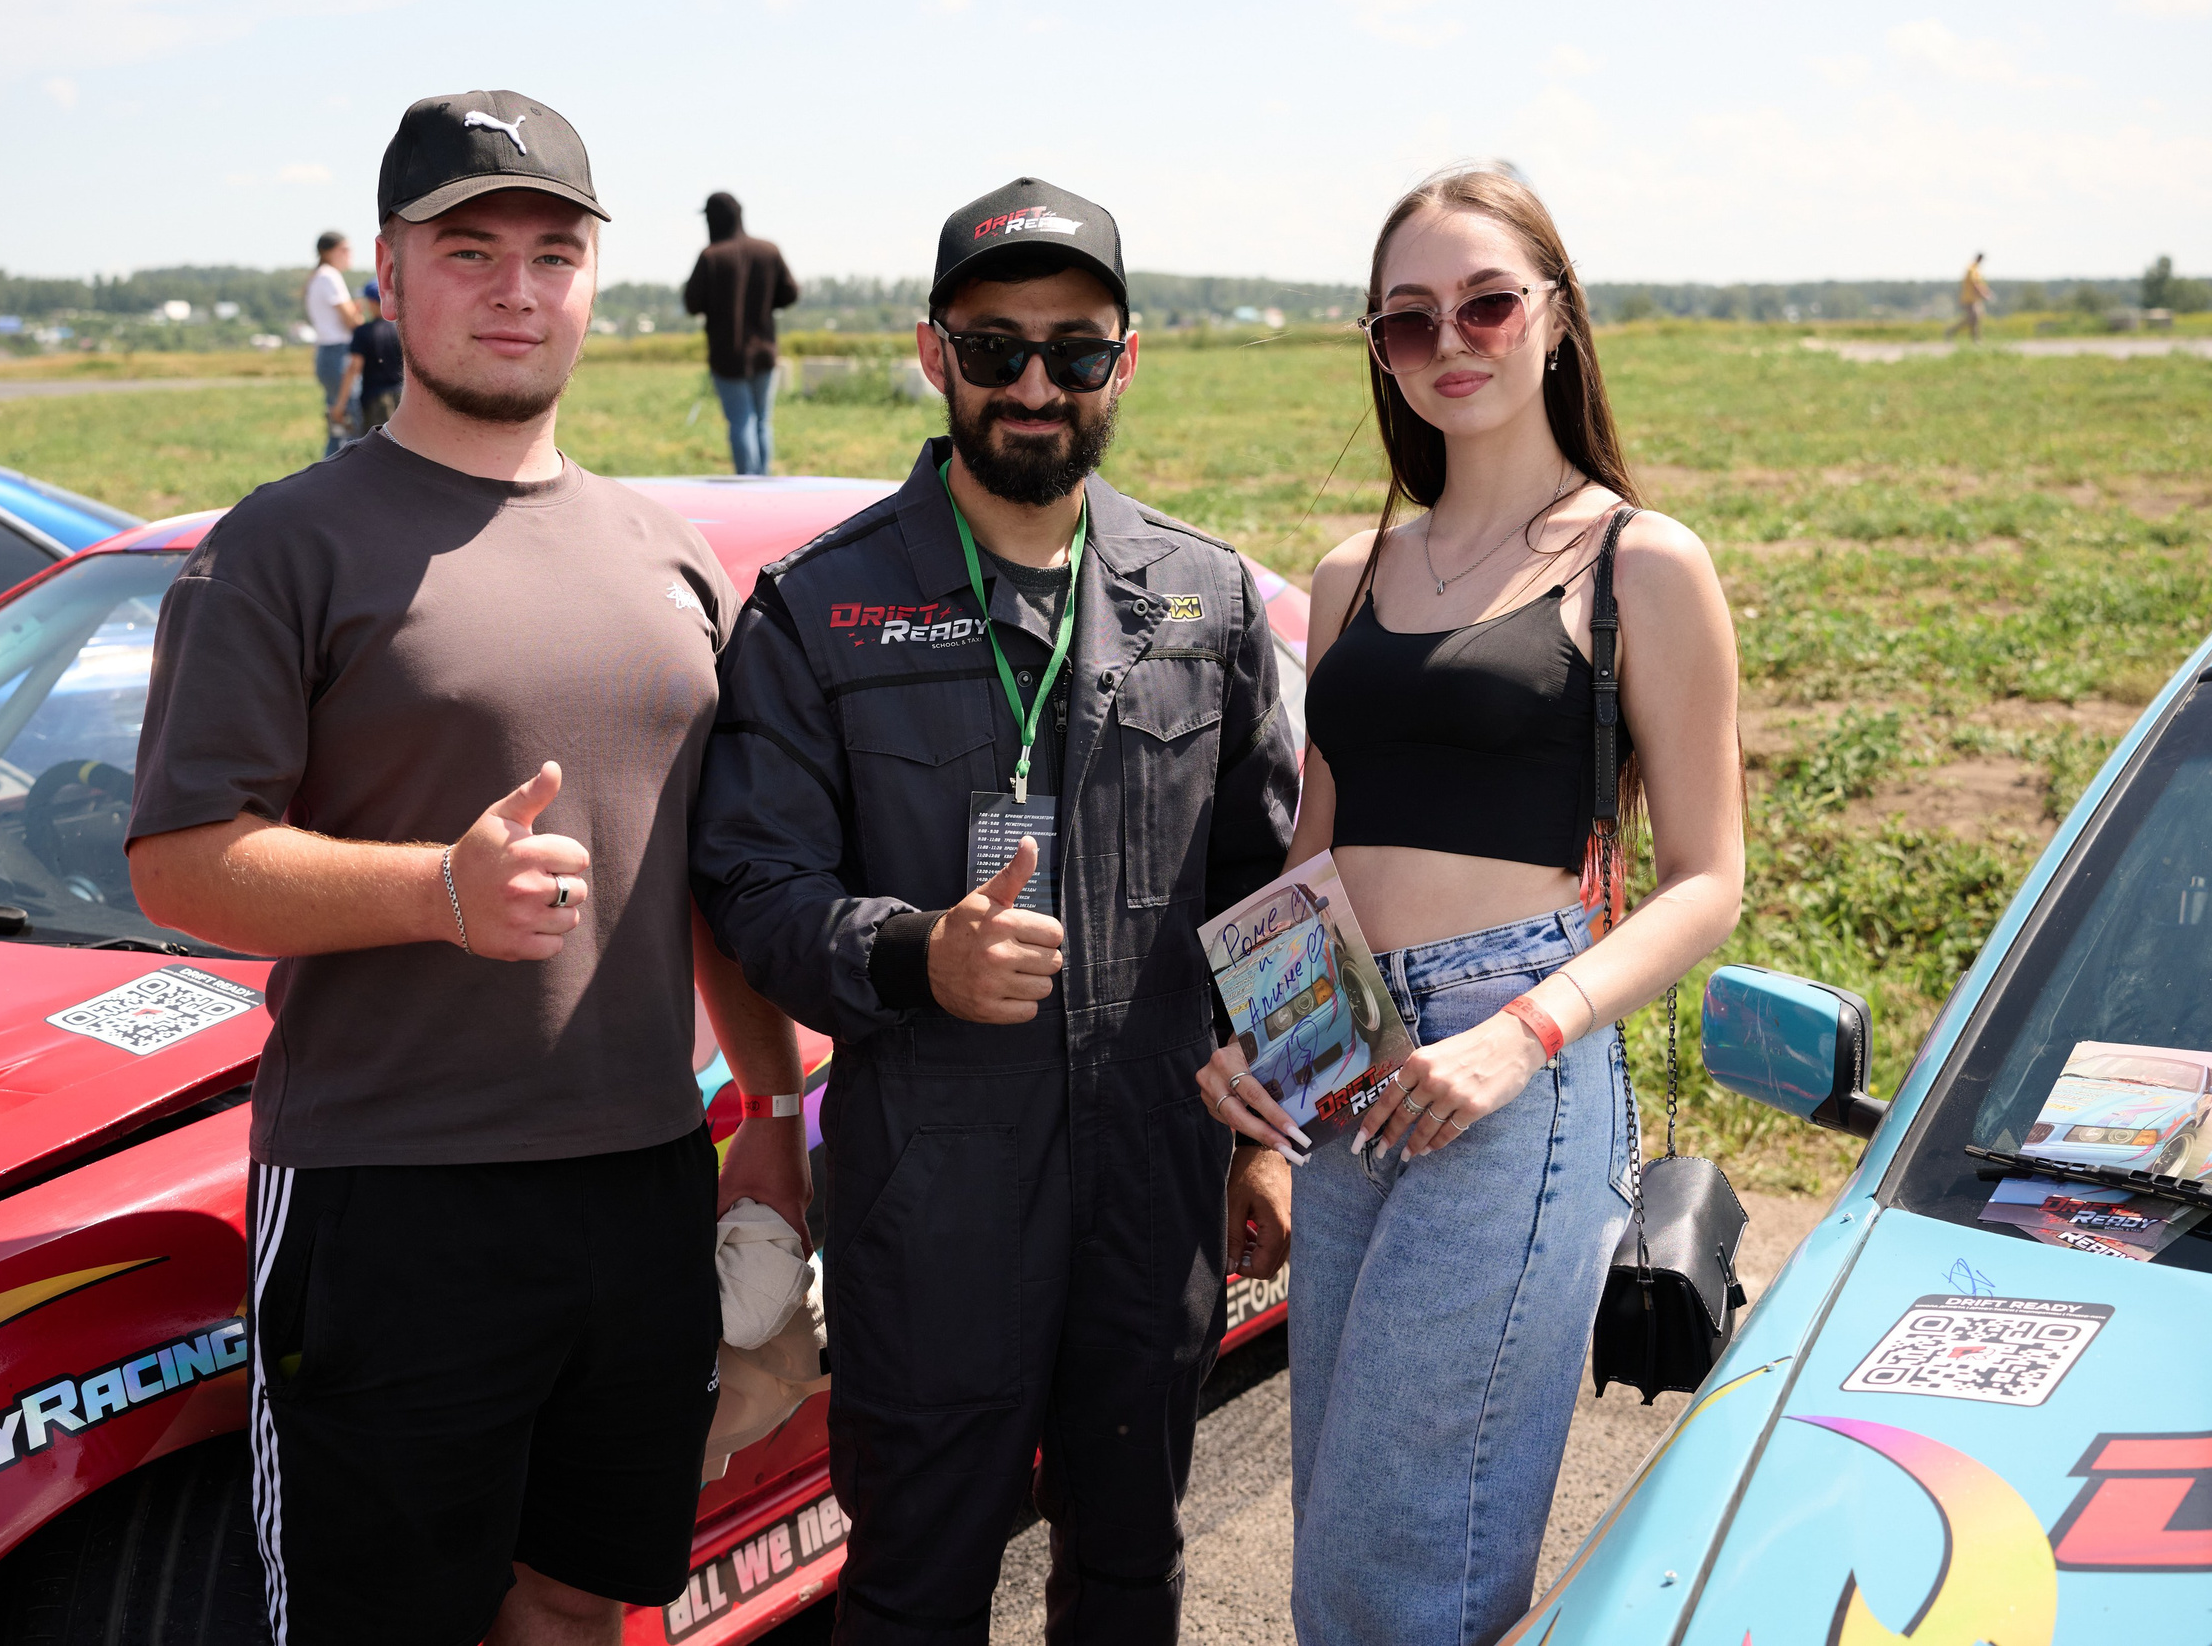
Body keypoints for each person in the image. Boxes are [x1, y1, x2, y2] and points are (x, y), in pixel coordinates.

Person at [126, 89, 811, 1646]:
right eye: (469, 248)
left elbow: (706, 879)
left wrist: (766, 1109)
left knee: (580, 1599)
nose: (515, 286)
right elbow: (181, 860)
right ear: (387, 271)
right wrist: (437, 891)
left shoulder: (672, 558)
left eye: (553, 251)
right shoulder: (281, 547)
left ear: (593, 281)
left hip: (640, 1178)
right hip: (391, 1191)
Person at [692, 176, 1302, 1644]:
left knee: (1133, 1577)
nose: (1036, 385)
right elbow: (755, 890)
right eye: (995, 347)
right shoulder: (819, 610)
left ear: (1125, 362)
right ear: (932, 352)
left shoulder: (1204, 601)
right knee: (914, 1595)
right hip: (932, 1214)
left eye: (1075, 350)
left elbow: (1265, 891)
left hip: (1151, 1201)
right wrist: (914, 954)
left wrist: (1268, 1136)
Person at [1191, 165, 1744, 1644]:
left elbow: (1709, 879)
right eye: (1409, 319)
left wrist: (1521, 1036)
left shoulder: (1643, 562)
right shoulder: (1352, 569)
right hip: (1348, 1058)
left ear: (1554, 318)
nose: (1456, 339)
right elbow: (1316, 850)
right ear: (1379, 349)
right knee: (1347, 1532)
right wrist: (1268, 1058)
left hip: (1518, 1071)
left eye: (1489, 302)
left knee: (1405, 1562)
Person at [682, 192, 797, 475]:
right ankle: (762, 481)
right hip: (764, 352)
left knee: (741, 422)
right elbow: (791, 292)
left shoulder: (711, 257)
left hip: (727, 355)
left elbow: (691, 303)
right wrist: (765, 301)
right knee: (761, 422)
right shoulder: (769, 251)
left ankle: (748, 485)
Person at [305, 230, 367, 456]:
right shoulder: (330, 276)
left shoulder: (318, 277)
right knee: (350, 421)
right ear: (329, 252)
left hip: (326, 353)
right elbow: (352, 321)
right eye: (345, 249)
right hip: (338, 353)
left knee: (338, 423)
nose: (349, 254)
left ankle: (329, 475)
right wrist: (358, 316)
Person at [332, 276, 404, 436]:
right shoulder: (401, 329)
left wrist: (340, 404)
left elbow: (354, 368)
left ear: (372, 302)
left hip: (375, 400)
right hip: (403, 398)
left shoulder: (363, 332)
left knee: (379, 451)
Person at [1945, 250, 1992, 342]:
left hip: (1975, 299)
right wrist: (1984, 294)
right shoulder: (1971, 269)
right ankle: (1953, 332)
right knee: (1973, 317)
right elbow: (1975, 284)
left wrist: (1986, 292)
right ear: (1979, 258)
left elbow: (1980, 283)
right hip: (1968, 299)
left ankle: (1974, 338)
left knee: (1976, 317)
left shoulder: (1976, 269)